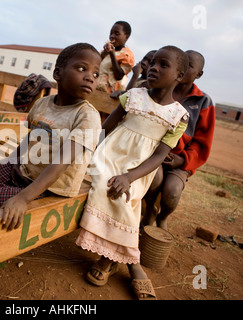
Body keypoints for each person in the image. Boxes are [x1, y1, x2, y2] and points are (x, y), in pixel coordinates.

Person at [75, 46, 190, 300]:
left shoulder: (179, 116)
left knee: (124, 195)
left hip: (138, 169)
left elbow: (159, 156)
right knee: (107, 185)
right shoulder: (134, 95)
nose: (154, 68)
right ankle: (130, 262)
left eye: (163, 64)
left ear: (179, 76)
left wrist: (129, 177)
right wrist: (88, 151)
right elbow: (108, 126)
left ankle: (109, 259)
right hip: (108, 156)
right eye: (153, 63)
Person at [0, 43, 102, 231]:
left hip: (49, 186)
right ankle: (9, 185)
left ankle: (15, 192)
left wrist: (23, 198)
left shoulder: (87, 116)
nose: (90, 78)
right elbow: (31, 139)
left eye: (96, 74)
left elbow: (61, 164)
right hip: (24, 170)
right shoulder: (43, 104)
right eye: (81, 68)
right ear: (57, 74)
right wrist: (9, 162)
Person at [141, 50, 215, 230]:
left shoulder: (203, 101)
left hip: (180, 159)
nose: (184, 67)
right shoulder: (162, 88)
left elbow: (202, 141)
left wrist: (183, 160)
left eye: (189, 66)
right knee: (154, 178)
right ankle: (150, 210)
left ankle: (163, 216)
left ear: (199, 74)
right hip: (153, 153)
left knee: (172, 192)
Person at [98, 21, 135, 96]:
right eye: (111, 33)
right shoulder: (104, 52)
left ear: (126, 37)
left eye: (116, 34)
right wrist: (104, 53)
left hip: (109, 94)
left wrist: (112, 54)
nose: (112, 36)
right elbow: (95, 65)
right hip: (96, 88)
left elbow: (119, 75)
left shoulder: (127, 54)